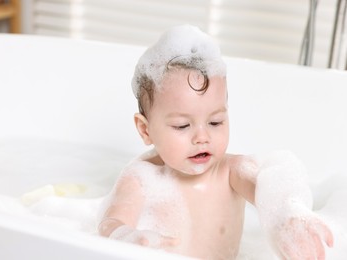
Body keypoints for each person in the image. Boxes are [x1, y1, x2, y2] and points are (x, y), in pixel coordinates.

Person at [97, 25, 334, 259]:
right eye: (182, 126)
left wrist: (289, 216)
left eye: (216, 122)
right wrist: (127, 237)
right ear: (145, 130)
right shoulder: (139, 178)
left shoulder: (231, 172)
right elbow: (111, 223)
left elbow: (273, 191)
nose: (202, 137)